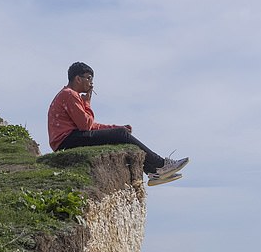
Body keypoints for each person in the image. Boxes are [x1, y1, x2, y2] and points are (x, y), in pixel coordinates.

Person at [47, 62, 189, 186]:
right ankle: (161, 164)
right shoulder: (69, 94)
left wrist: (116, 128)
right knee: (120, 135)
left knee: (120, 134)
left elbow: (90, 126)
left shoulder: (70, 95)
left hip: (69, 139)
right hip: (66, 141)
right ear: (78, 79)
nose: (91, 83)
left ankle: (153, 172)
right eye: (89, 78)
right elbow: (86, 125)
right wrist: (88, 102)